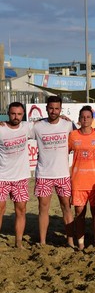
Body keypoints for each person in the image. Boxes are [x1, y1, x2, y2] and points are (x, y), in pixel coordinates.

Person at [32, 96, 74, 247]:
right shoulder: (37, 126)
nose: (54, 111)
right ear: (46, 108)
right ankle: (42, 242)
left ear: (61, 109)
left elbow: (82, 133)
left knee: (66, 208)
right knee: (43, 209)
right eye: (51, 108)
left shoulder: (68, 124)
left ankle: (70, 241)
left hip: (63, 175)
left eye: (57, 108)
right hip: (44, 175)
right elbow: (18, 130)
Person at [68, 106, 95, 250]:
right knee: (79, 214)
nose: (85, 119)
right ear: (79, 119)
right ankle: (81, 243)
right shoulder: (72, 136)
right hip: (78, 182)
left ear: (92, 119)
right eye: (83, 117)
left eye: (88, 117)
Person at [0, 102, 33, 248]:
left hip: (20, 177)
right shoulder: (1, 129)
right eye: (13, 113)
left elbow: (47, 123)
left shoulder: (27, 127)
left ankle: (18, 241)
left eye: (19, 114)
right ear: (8, 113)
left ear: (23, 115)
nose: (16, 117)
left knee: (21, 210)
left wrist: (63, 117)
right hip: (2, 177)